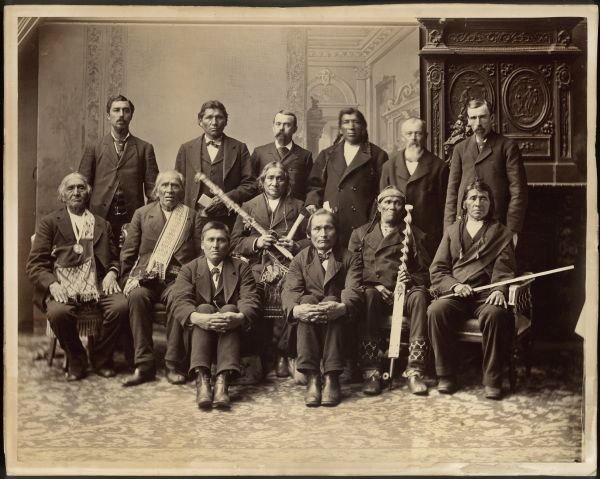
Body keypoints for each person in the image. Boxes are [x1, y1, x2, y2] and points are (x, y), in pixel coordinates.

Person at [27, 173, 128, 381]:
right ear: (63, 195)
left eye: (81, 188)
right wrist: (53, 285)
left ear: (87, 193)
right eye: (71, 188)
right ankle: (76, 358)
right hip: (62, 283)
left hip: (96, 284)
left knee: (121, 306)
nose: (76, 192)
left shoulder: (101, 224)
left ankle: (101, 358)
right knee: (57, 313)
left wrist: (112, 272)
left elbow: (113, 259)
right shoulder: (50, 223)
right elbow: (35, 264)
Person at [428, 179, 516, 400]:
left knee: (495, 314)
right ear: (464, 203)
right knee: (435, 310)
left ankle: (492, 380)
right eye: (473, 198)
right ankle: (445, 375)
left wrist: (499, 290)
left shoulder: (501, 233)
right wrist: (455, 285)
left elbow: (504, 269)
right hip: (456, 294)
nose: (478, 203)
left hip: (485, 296)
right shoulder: (451, 231)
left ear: (491, 203)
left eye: (483, 198)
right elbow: (438, 269)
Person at [120, 170, 203, 387]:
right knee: (136, 297)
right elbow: (129, 252)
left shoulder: (191, 216)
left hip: (177, 279)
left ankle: (172, 364)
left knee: (179, 297)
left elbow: (199, 255)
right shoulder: (142, 214)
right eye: (164, 185)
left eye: (175, 185)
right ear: (156, 190)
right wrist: (126, 279)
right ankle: (144, 365)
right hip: (146, 278)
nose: (169, 190)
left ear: (182, 190)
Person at [348, 186, 431, 396]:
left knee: (420, 297)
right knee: (367, 297)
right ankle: (371, 371)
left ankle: (415, 370)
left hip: (405, 292)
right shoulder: (360, 235)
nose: (392, 207)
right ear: (379, 205)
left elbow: (426, 272)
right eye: (387, 202)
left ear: (403, 207)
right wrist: (374, 285)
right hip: (375, 292)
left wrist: (410, 279)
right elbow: (354, 271)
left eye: (397, 203)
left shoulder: (413, 234)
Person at [169, 221, 261, 409]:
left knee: (229, 310)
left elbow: (250, 299)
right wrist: (199, 319)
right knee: (203, 309)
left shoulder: (241, 268)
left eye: (221, 240)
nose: (215, 245)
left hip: (232, 335)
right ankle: (202, 380)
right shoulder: (189, 269)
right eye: (210, 240)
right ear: (202, 244)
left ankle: (222, 382)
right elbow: (181, 302)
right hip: (197, 335)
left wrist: (240, 317)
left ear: (228, 244)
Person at [231, 161, 310, 377]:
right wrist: (256, 242)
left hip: (288, 266)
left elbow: (311, 241)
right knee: (251, 295)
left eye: (280, 178)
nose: (275, 182)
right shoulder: (248, 207)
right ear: (262, 181)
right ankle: (258, 354)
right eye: (270, 178)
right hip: (256, 266)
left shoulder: (298, 206)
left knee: (291, 293)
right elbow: (234, 242)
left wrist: (295, 245)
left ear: (287, 182)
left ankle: (284, 353)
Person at [281, 210, 362, 407]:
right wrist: (295, 310)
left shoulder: (350, 258)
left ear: (337, 231)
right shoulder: (300, 259)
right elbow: (290, 291)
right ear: (309, 234)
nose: (323, 234)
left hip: (340, 325)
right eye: (317, 228)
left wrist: (342, 307)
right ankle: (312, 377)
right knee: (306, 299)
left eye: (328, 228)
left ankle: (331, 377)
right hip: (307, 326)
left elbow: (353, 289)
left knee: (332, 299)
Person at [444, 99, 528, 245]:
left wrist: (512, 229)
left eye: (482, 117)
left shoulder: (507, 147)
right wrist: (449, 228)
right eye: (473, 118)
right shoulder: (460, 149)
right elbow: (452, 191)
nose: (478, 123)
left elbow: (518, 190)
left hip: (496, 223)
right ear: (468, 121)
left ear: (491, 118)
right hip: (465, 223)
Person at [79, 94, 159, 247]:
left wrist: (143, 218)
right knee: (101, 261)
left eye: (125, 111)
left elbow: (154, 190)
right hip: (99, 217)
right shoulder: (94, 147)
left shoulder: (144, 148)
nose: (121, 115)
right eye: (116, 110)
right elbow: (82, 185)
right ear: (108, 116)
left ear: (131, 116)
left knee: (128, 261)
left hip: (132, 218)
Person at [305, 107, 389, 248]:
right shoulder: (327, 154)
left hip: (363, 223)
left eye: (355, 122)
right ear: (340, 128)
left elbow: (383, 193)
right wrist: (312, 202)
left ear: (363, 126)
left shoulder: (377, 155)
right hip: (332, 224)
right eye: (346, 122)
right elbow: (314, 185)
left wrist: (373, 224)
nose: (351, 126)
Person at [175, 100, 255, 230]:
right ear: (200, 121)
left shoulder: (239, 148)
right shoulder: (186, 149)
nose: (214, 122)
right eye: (209, 117)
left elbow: (250, 184)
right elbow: (177, 184)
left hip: (229, 218)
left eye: (219, 117)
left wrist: (227, 198)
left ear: (226, 121)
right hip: (194, 218)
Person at [380, 117, 449, 261]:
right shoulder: (389, 166)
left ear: (426, 136)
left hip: (428, 237)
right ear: (402, 137)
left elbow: (445, 206)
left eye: (418, 133)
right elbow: (381, 204)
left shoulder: (439, 166)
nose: (414, 138)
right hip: (395, 236)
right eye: (409, 134)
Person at [250, 110, 313, 201]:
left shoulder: (305, 156)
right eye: (278, 124)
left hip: (294, 210)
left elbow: (311, 187)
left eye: (287, 124)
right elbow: (250, 183)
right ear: (273, 127)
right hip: (264, 209)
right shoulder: (259, 153)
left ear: (295, 129)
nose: (281, 128)